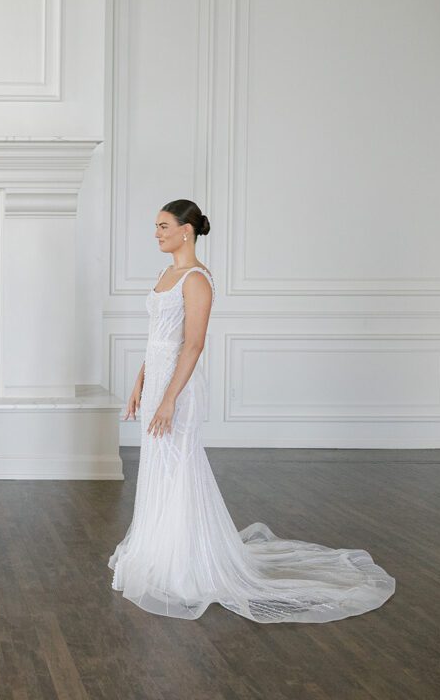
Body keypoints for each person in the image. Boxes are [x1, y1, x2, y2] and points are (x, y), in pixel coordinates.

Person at [109, 199, 395, 622]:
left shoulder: (196, 279)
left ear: (186, 230)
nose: (157, 233)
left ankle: (187, 565)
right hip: (157, 382)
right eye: (156, 226)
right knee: (156, 466)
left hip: (180, 388)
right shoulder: (165, 273)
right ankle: (158, 553)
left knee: (179, 466)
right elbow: (157, 338)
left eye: (163, 226)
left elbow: (193, 344)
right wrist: (140, 382)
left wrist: (169, 397)